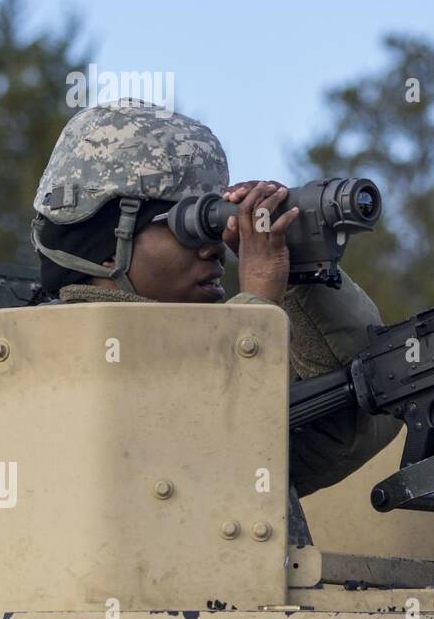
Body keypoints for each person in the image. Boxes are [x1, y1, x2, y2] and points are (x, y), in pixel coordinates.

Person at [30, 103, 399, 542]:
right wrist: (257, 304)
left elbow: (352, 422)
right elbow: (196, 445)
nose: (213, 249)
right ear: (108, 246)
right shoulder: (54, 358)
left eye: (216, 223)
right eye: (189, 225)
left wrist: (302, 273)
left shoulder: (204, 354)